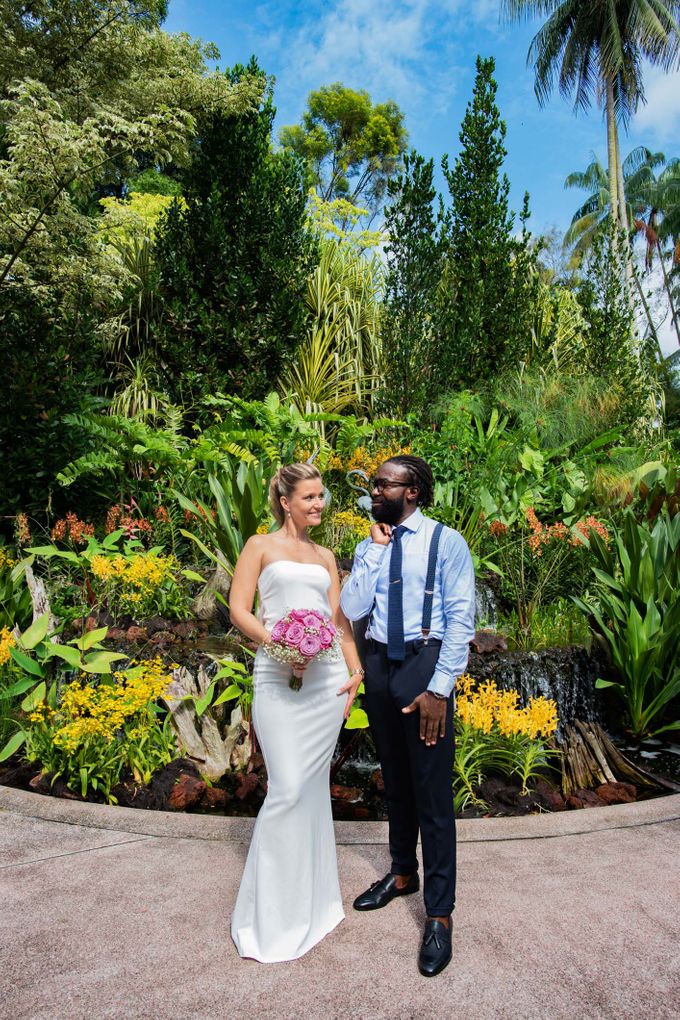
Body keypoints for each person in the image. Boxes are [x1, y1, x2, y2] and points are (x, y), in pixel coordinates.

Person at [340, 455, 475, 978]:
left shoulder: (447, 542)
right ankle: (401, 875)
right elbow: (352, 607)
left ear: (412, 491)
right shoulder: (369, 541)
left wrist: (440, 688)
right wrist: (371, 554)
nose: (372, 490)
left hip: (423, 662)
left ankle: (439, 915)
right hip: (378, 662)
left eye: (382, 484)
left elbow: (461, 618)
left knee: (432, 794)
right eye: (374, 483)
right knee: (394, 782)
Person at [229, 462, 363, 963]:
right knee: (285, 789)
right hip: (277, 678)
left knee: (308, 790)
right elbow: (239, 610)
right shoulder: (258, 546)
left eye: (322, 496)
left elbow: (340, 623)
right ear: (285, 502)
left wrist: (355, 673)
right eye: (308, 497)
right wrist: (280, 644)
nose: (318, 504)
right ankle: (271, 916)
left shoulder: (326, 556)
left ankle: (314, 904)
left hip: (327, 683)